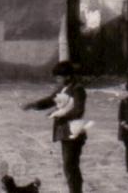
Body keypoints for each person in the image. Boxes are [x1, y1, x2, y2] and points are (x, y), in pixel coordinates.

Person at [23, 61, 88, 193]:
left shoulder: (78, 89)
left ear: (68, 77)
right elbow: (50, 100)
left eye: (59, 78)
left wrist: (58, 115)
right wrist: (32, 105)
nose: (57, 81)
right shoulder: (62, 89)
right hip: (65, 132)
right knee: (69, 166)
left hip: (74, 132)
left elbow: (78, 110)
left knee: (70, 166)